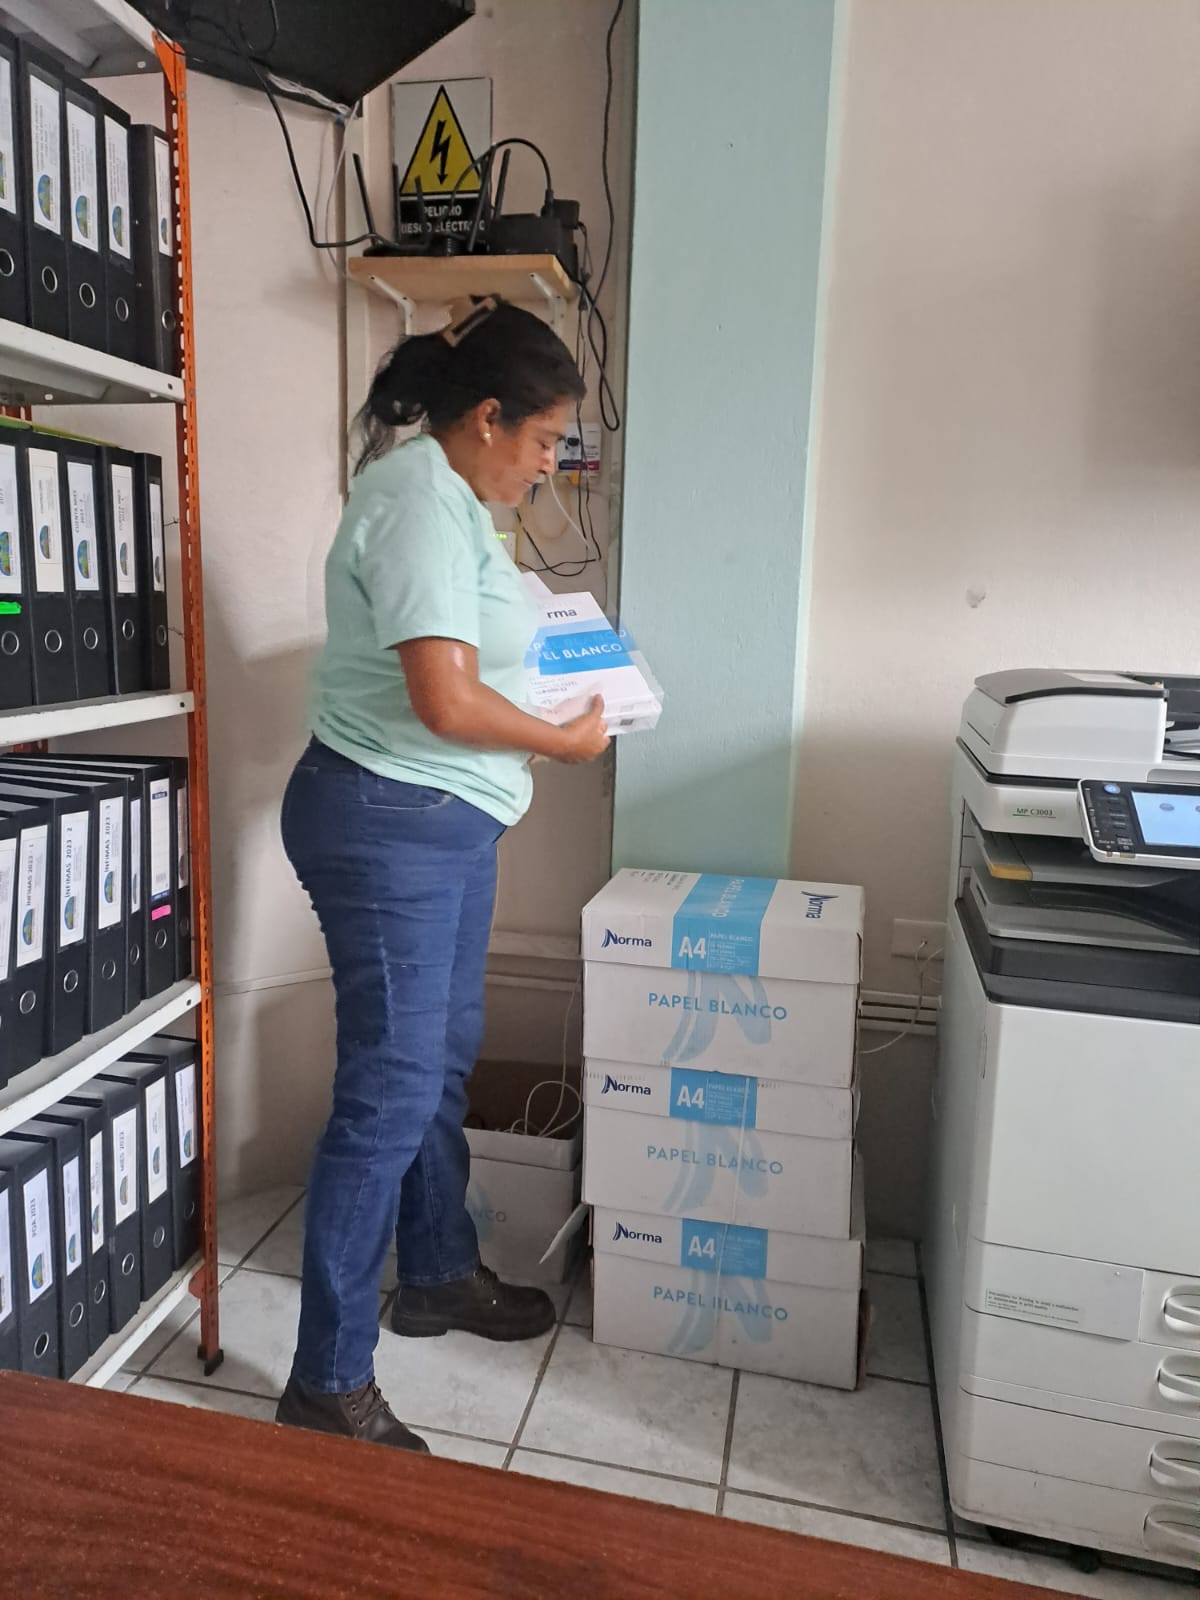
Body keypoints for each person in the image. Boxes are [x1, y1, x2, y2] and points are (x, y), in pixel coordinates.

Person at [274, 297, 610, 1452]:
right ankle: (325, 1382)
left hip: (443, 820)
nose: (550, 464)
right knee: (389, 1089)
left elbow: (475, 668)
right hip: (387, 820)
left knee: (438, 1059)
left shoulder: (459, 502)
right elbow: (444, 699)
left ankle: (434, 1271)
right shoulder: (416, 497)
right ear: (486, 417)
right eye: (544, 439)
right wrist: (561, 739)